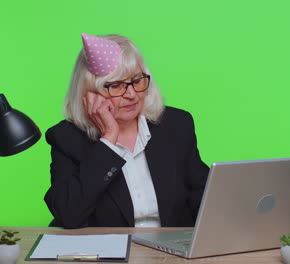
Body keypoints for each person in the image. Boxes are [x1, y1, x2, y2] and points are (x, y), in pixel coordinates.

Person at [44, 33, 209, 229]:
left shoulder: (176, 124)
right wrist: (108, 140)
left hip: (170, 252)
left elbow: (203, 196)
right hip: (108, 252)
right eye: (116, 85)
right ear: (89, 93)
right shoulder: (67, 138)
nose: (131, 94)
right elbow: (68, 215)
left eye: (137, 80)